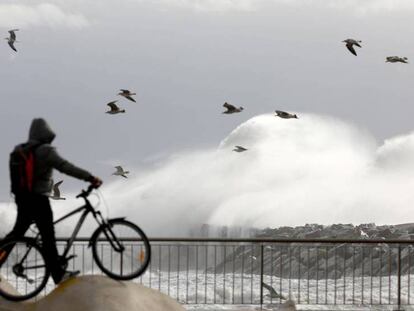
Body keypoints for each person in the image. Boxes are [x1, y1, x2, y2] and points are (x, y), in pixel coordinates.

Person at [1, 118, 102, 284]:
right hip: (39, 200)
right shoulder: (45, 151)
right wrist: (89, 178)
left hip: (22, 198)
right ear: (46, 133)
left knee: (16, 234)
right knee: (48, 237)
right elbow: (65, 167)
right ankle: (58, 274)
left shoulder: (20, 150)